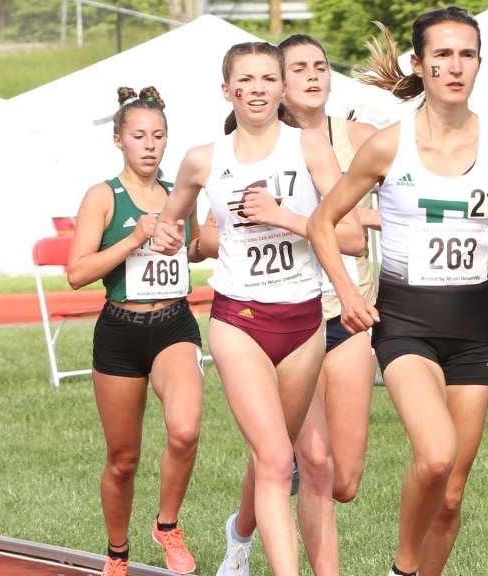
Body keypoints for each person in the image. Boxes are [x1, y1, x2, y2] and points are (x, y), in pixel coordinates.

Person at [307, 8, 488, 576]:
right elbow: (321, 223)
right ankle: (403, 569)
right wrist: (350, 293)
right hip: (407, 323)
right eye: (442, 55)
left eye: (466, 55)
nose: (455, 67)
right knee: (435, 455)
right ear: (419, 64)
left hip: (472, 326)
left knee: (452, 494)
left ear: (479, 64)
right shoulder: (389, 146)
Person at [150, 42, 364, 576]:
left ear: (281, 88)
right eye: (245, 80)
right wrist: (166, 236)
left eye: (268, 78)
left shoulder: (309, 146)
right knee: (274, 459)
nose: (257, 89)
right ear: (227, 90)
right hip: (239, 320)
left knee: (305, 460)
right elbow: (171, 224)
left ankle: (242, 536)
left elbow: (353, 236)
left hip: (303, 321)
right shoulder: (204, 159)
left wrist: (284, 216)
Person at [203, 33, 379, 576]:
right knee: (302, 460)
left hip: (344, 314)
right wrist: (246, 232)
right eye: (298, 67)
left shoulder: (357, 137)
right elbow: (205, 233)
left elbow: (353, 236)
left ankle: (242, 525)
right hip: (276, 313)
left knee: (343, 479)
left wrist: (288, 219)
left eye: (319, 66)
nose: (311, 76)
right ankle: (256, 544)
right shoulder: (239, 145)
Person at [66, 86, 205, 576]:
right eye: (139, 136)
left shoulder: (179, 194)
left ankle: (167, 526)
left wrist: (206, 234)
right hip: (120, 330)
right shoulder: (103, 196)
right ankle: (117, 553)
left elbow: (198, 248)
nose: (149, 145)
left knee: (185, 430)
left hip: (174, 324)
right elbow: (77, 273)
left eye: (158, 136)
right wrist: (135, 237)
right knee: (123, 459)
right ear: (118, 140)